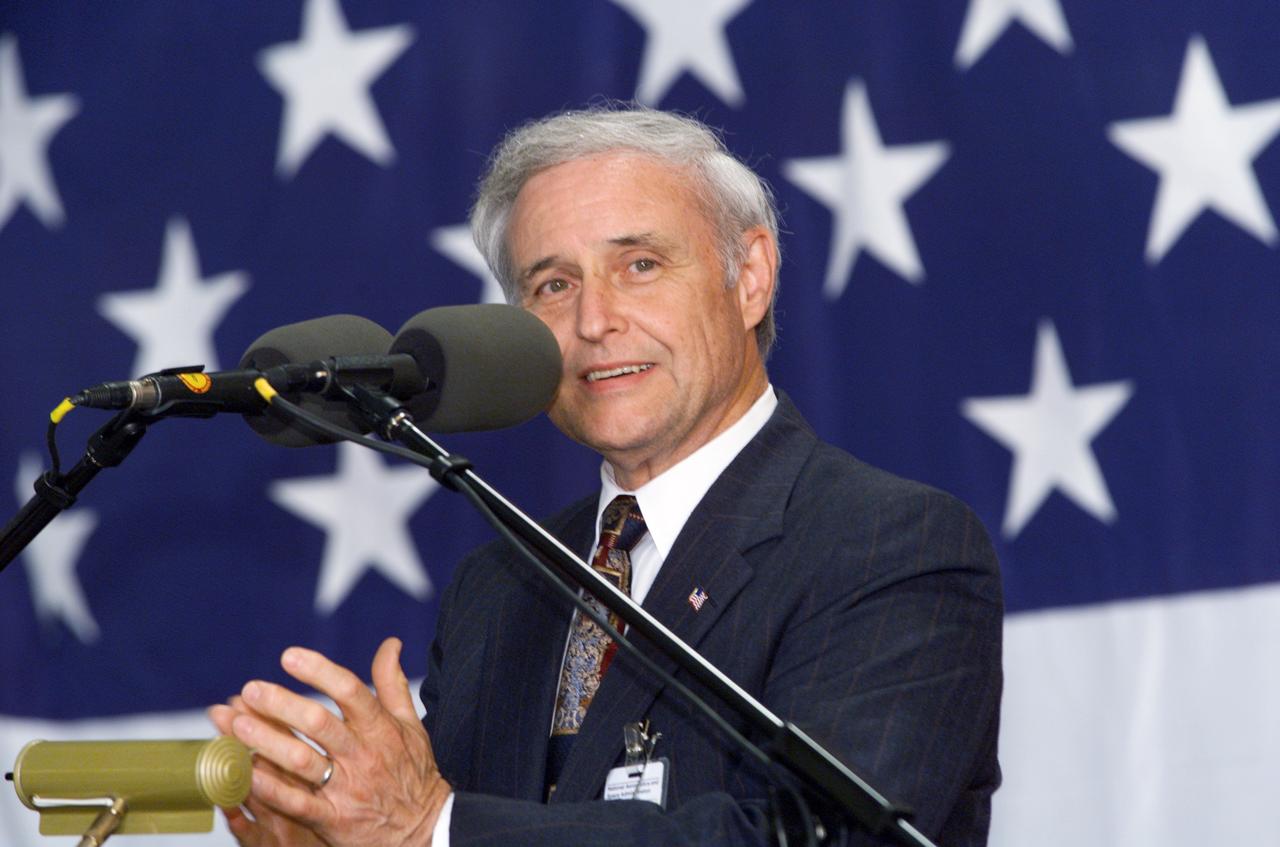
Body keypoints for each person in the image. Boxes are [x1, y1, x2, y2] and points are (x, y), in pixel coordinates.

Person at [209, 106, 1003, 846]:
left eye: (640, 264)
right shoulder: (500, 584)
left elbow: (821, 832)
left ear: (751, 275)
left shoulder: (891, 545)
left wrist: (433, 826)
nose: (594, 321)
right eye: (553, 285)